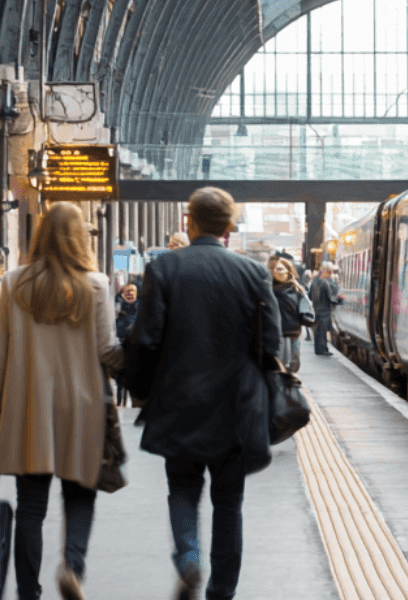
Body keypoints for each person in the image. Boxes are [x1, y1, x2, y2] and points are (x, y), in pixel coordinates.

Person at [124, 186, 280, 600]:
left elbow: (146, 339)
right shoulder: (253, 273)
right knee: (229, 503)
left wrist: (140, 392)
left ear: (187, 221)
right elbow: (272, 346)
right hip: (236, 408)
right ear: (230, 226)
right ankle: (222, 592)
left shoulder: (164, 269)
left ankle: (190, 558)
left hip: (179, 403)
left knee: (182, 489)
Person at [0, 202, 124, 600]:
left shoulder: (13, 283)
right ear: (80, 238)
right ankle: (71, 568)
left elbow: (0, 355)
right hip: (84, 409)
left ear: (39, 234)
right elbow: (107, 349)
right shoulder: (95, 284)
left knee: (30, 507)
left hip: (29, 409)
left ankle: (29, 591)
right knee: (79, 497)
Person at [270, 257, 308, 373]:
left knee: (293, 365)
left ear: (288, 271)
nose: (278, 272)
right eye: (276, 269)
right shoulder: (268, 289)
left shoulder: (297, 290)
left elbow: (305, 311)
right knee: (278, 366)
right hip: (276, 333)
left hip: (293, 332)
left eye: (281, 269)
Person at [308, 264, 343, 356]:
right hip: (325, 310)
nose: (331, 274)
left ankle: (319, 349)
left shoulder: (315, 281)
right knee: (322, 331)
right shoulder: (325, 282)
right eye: (330, 272)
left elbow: (309, 295)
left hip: (317, 309)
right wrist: (340, 299)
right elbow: (331, 298)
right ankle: (323, 350)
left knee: (318, 331)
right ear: (327, 272)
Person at [114, 283, 140, 407]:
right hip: (131, 339)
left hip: (122, 338)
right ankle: (127, 398)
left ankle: (121, 399)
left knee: (120, 372)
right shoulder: (138, 302)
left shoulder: (119, 300)